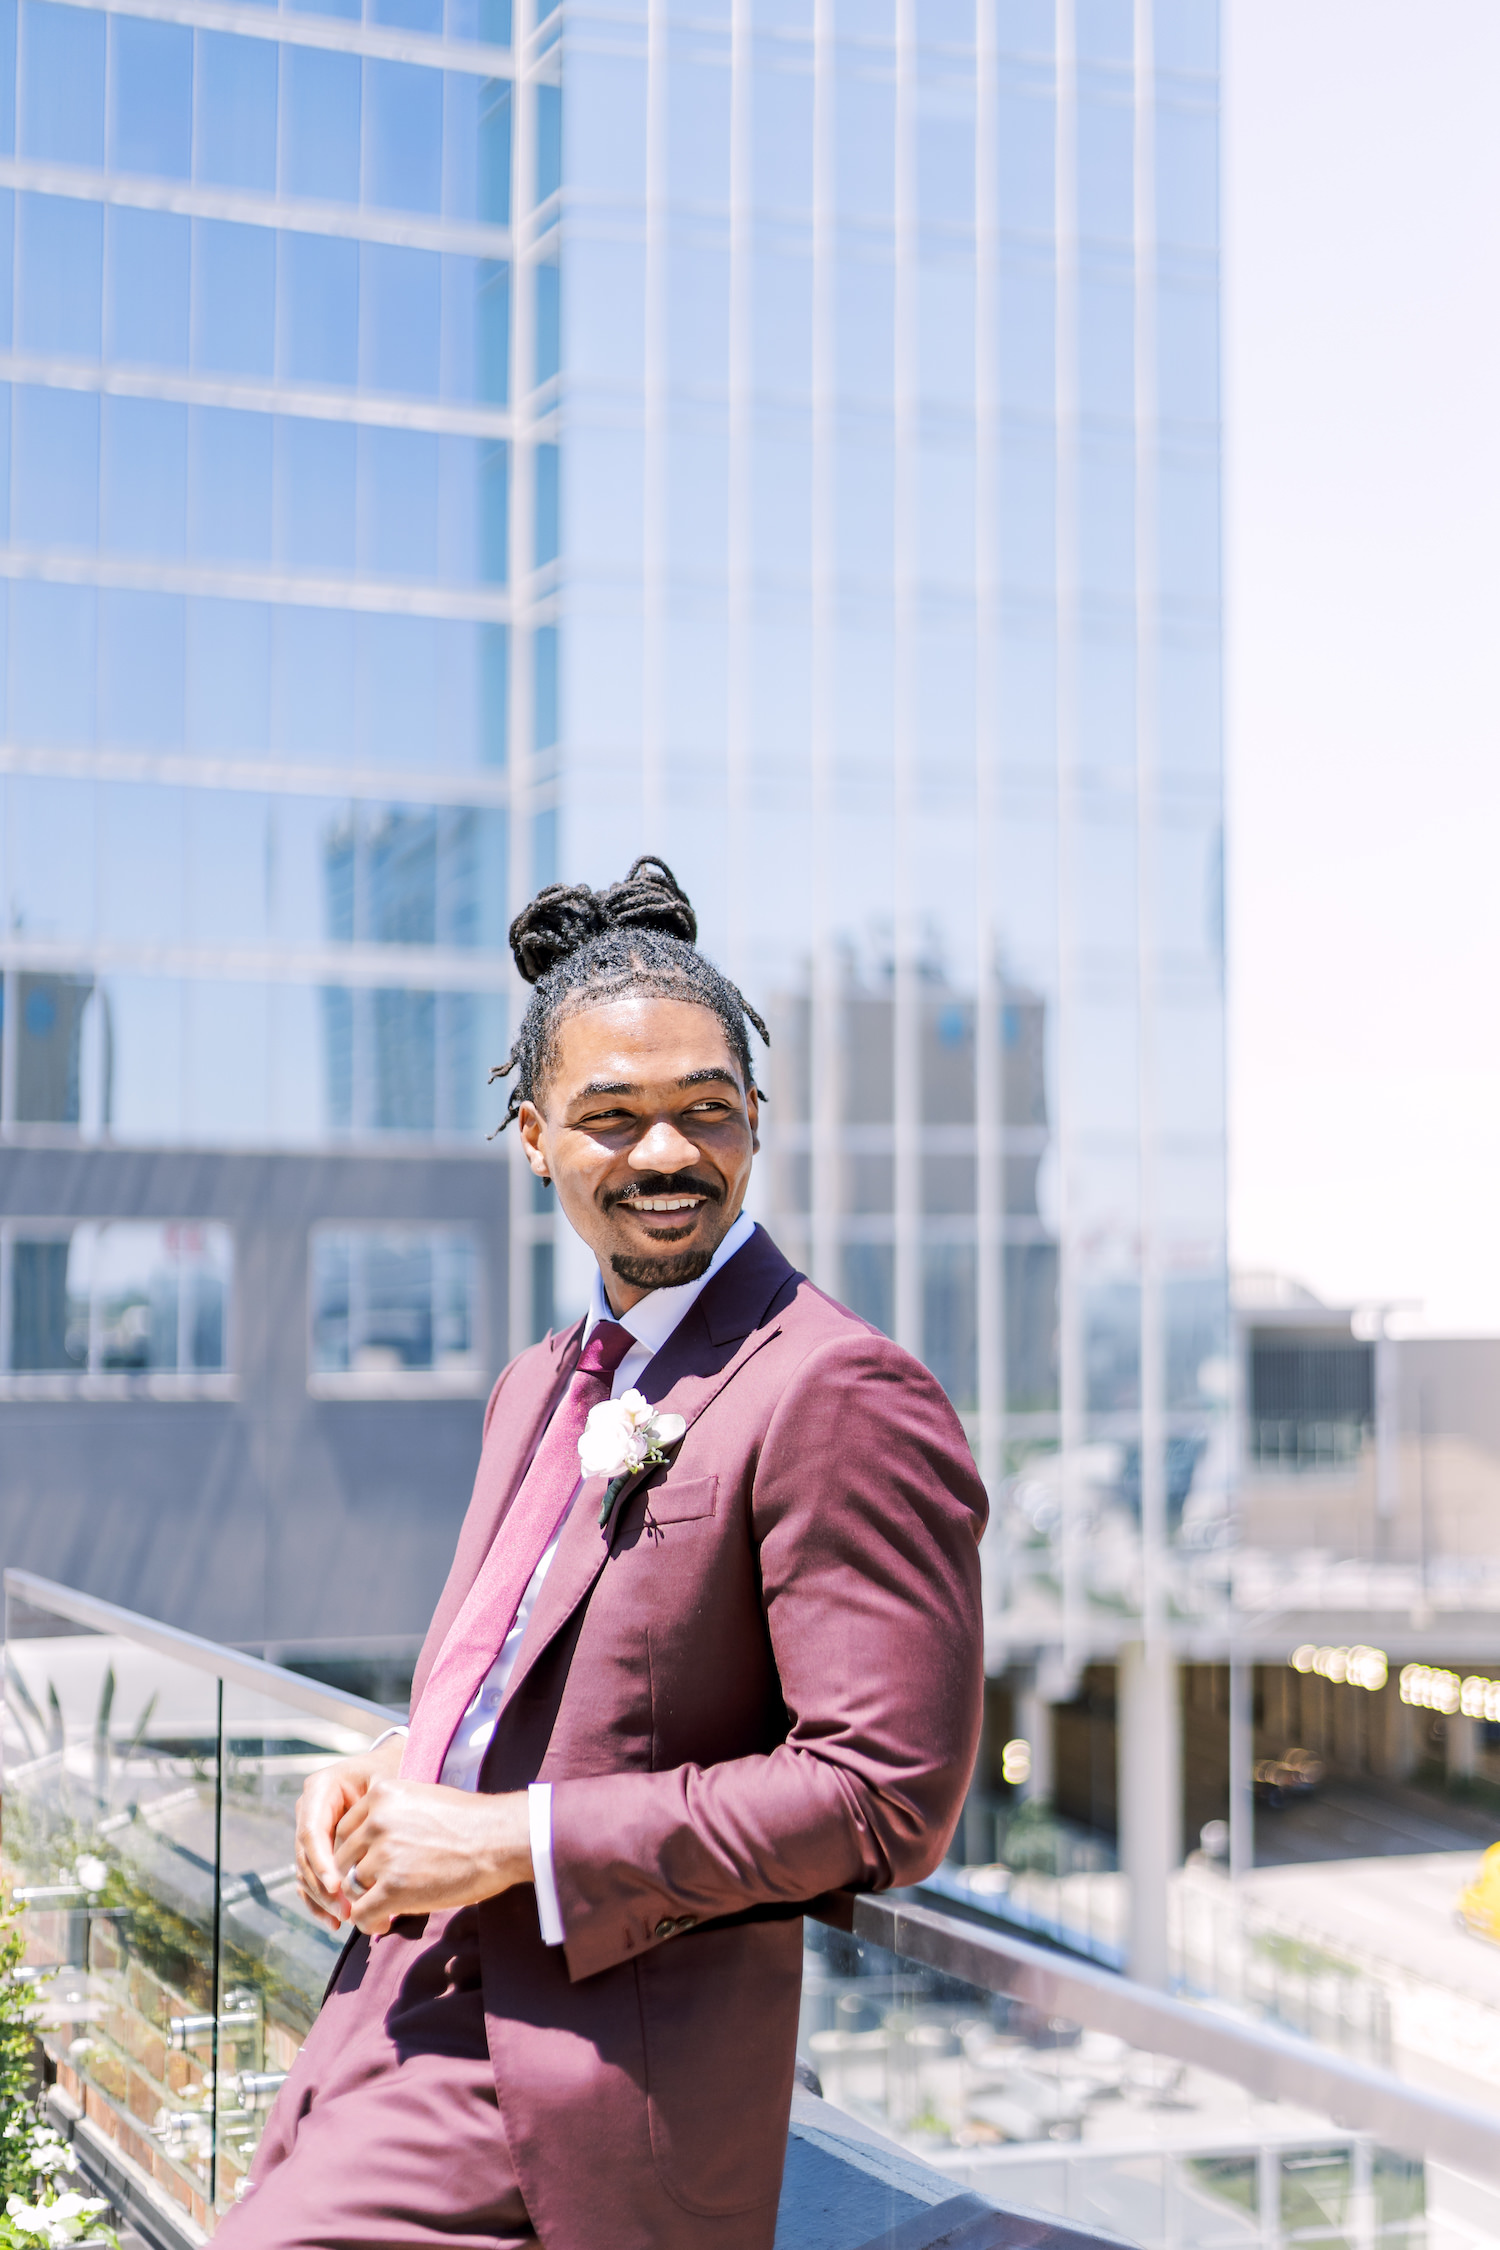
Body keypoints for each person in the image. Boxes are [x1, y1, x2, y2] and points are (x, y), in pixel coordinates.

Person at [222, 858, 986, 2250]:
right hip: (379, 2009)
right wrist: (400, 1765)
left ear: (756, 1116)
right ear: (532, 1136)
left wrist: (512, 1838)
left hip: (576, 2076)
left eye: (707, 1109)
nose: (667, 1153)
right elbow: (540, 1672)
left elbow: (885, 1797)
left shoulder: (840, 1388)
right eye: (612, 1116)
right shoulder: (538, 1383)